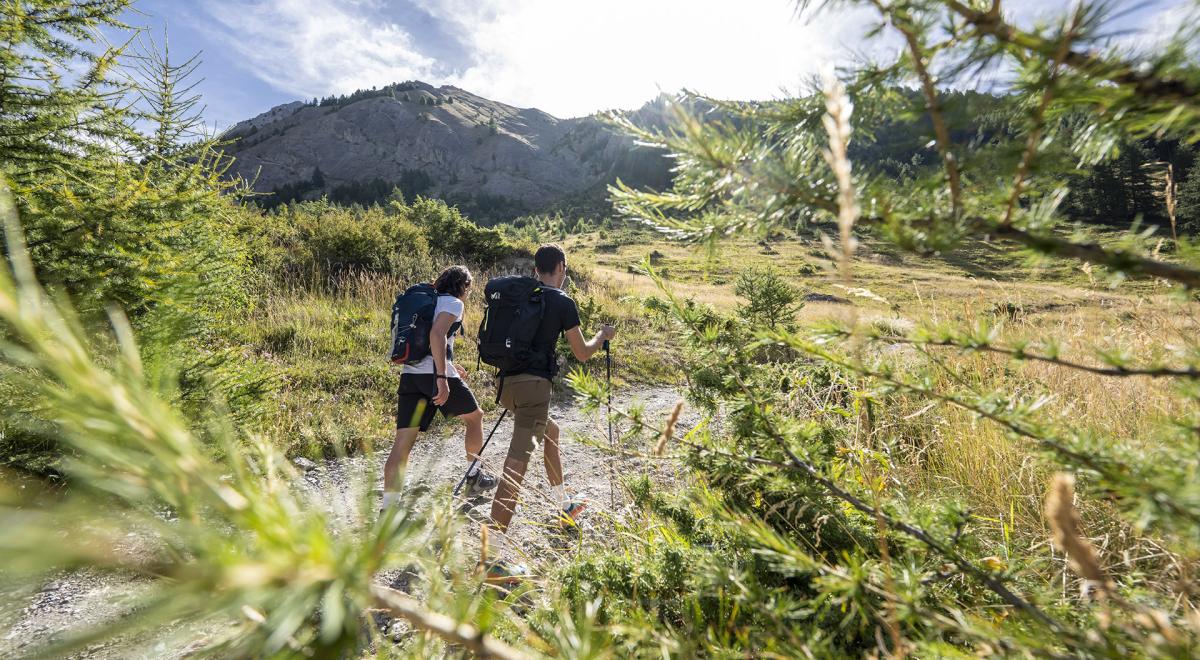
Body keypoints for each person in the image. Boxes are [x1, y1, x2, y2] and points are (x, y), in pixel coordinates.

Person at [485, 244, 616, 582]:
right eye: (565, 269)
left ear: (535, 270)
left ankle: (564, 505)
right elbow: (582, 353)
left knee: (551, 432)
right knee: (515, 468)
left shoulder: (521, 296)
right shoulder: (562, 301)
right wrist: (603, 335)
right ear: (560, 267)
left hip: (507, 387)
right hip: (533, 391)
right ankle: (492, 561)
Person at [381, 265, 497, 509]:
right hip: (434, 376)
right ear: (463, 287)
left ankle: (389, 510)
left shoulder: (430, 301)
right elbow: (436, 335)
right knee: (475, 417)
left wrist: (452, 366)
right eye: (468, 288)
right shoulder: (454, 303)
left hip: (411, 376)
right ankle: (474, 476)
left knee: (402, 445)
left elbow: (433, 342)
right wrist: (443, 378)